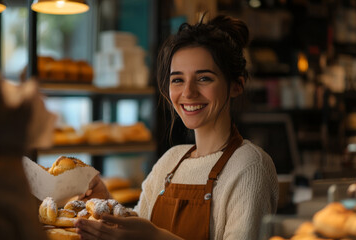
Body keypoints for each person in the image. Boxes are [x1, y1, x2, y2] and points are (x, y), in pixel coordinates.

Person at [76, 14, 279, 240]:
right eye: (177, 80)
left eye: (204, 78)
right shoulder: (170, 161)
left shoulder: (250, 166)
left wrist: (156, 238)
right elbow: (139, 227)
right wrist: (107, 203)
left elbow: (149, 235)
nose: (188, 93)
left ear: (236, 86)